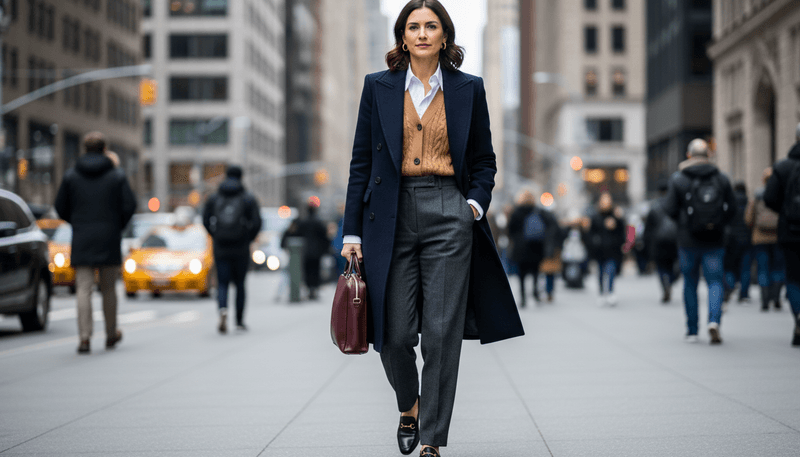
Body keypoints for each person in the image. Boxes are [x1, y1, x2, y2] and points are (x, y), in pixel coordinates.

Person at [339, 2, 524, 455]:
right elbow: (361, 163)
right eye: (413, 26)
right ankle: (409, 406)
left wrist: (474, 207)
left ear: (445, 35)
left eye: (431, 26)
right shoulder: (377, 87)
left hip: (449, 213)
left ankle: (433, 442)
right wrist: (351, 233)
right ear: (402, 36)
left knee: (442, 334)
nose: (422, 33)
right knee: (394, 333)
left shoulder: (468, 89)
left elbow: (484, 160)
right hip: (391, 213)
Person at [54, 132, 137, 354]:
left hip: (82, 238)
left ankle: (84, 337)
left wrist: (78, 222)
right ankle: (111, 334)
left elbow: (60, 206)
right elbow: (130, 205)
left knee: (83, 289)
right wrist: (116, 224)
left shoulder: (71, 175)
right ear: (104, 148)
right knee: (109, 288)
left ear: (84, 148)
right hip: (109, 237)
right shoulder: (117, 175)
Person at [664, 139, 736, 344]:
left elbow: (668, 208)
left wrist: (684, 222)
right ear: (709, 155)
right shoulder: (721, 178)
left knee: (690, 283)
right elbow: (732, 209)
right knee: (715, 281)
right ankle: (714, 321)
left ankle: (692, 330)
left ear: (688, 155)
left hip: (688, 241)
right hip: (714, 240)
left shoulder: (679, 179)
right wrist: (719, 224)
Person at [202, 165, 261, 333]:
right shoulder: (248, 198)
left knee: (222, 282)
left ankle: (223, 310)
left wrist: (215, 235)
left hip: (221, 246)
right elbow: (257, 222)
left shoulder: (214, 197)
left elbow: (205, 219)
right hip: (241, 247)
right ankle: (240, 321)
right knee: (240, 284)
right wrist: (247, 238)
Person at [763, 123, 800, 346]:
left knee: (794, 279)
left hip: (791, 232)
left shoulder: (783, 166)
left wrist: (785, 212)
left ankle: (798, 318)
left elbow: (769, 198)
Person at [746, 168, 785, 311]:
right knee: (778, 268)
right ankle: (775, 297)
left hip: (760, 238)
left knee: (763, 268)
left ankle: (764, 300)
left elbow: (749, 218)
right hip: (778, 237)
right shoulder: (783, 194)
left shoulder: (757, 196)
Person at [508, 190, 552, 307]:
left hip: (521, 247)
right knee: (535, 272)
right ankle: (535, 293)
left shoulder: (516, 212)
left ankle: (523, 297)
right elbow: (548, 225)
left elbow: (510, 230)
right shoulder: (537, 210)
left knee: (521, 274)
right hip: (536, 246)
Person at [587, 192, 626, 306]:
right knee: (600, 272)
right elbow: (591, 233)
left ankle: (610, 291)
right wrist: (594, 243)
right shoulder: (595, 216)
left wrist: (618, 221)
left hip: (613, 250)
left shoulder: (616, 216)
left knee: (611, 271)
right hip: (599, 250)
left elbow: (622, 232)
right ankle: (601, 293)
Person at [644, 180, 679, 303]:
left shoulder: (654, 206)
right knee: (673, 265)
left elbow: (648, 229)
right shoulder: (676, 204)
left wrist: (647, 245)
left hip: (657, 242)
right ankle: (670, 281)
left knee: (661, 267)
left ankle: (665, 285)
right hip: (675, 241)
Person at [294, 200, 330, 300]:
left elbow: (297, 234)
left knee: (307, 271)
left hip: (306, 251)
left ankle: (309, 289)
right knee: (316, 270)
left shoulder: (303, 222)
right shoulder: (319, 222)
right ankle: (314, 290)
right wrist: (325, 249)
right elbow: (325, 237)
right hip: (317, 252)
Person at [723, 182, 752, 304]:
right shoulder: (749, 202)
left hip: (731, 240)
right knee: (745, 268)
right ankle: (744, 294)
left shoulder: (729, 203)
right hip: (747, 239)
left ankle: (730, 287)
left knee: (729, 266)